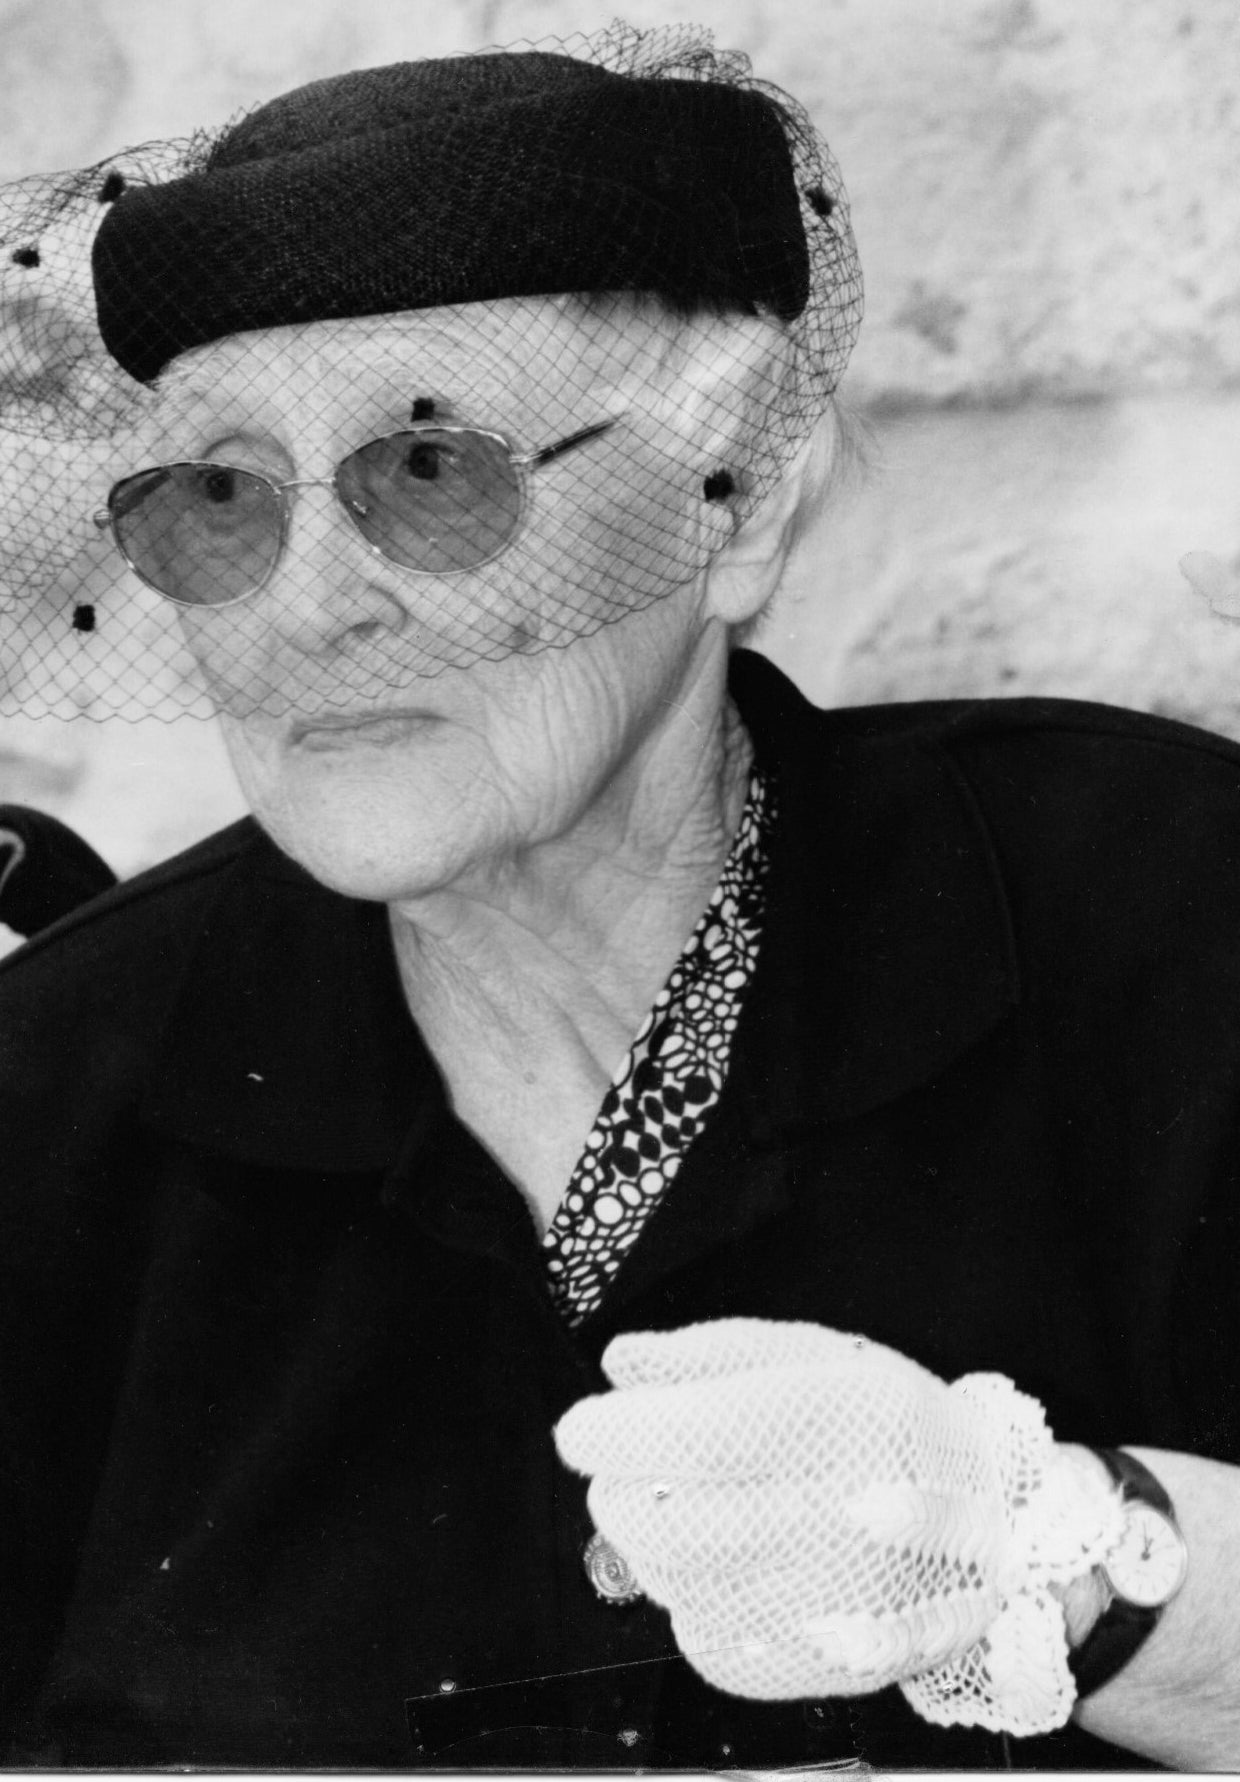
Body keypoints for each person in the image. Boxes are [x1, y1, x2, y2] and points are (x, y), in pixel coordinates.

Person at [0, 23, 1238, 1772]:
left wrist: (1058, 1557)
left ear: (737, 504)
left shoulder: (1167, 911)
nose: (307, 606)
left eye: (430, 470)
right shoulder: (50, 1095)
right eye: (218, 499)